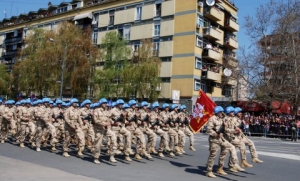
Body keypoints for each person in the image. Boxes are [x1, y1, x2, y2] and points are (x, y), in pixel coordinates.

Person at [206, 106, 244, 178]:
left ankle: (232, 164)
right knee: (213, 155)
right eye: (220, 112)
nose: (222, 113)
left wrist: (234, 131)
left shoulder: (222, 119)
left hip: (221, 139)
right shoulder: (212, 119)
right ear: (217, 112)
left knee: (231, 147)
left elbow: (226, 129)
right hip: (214, 140)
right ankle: (209, 171)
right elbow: (208, 130)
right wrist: (216, 134)